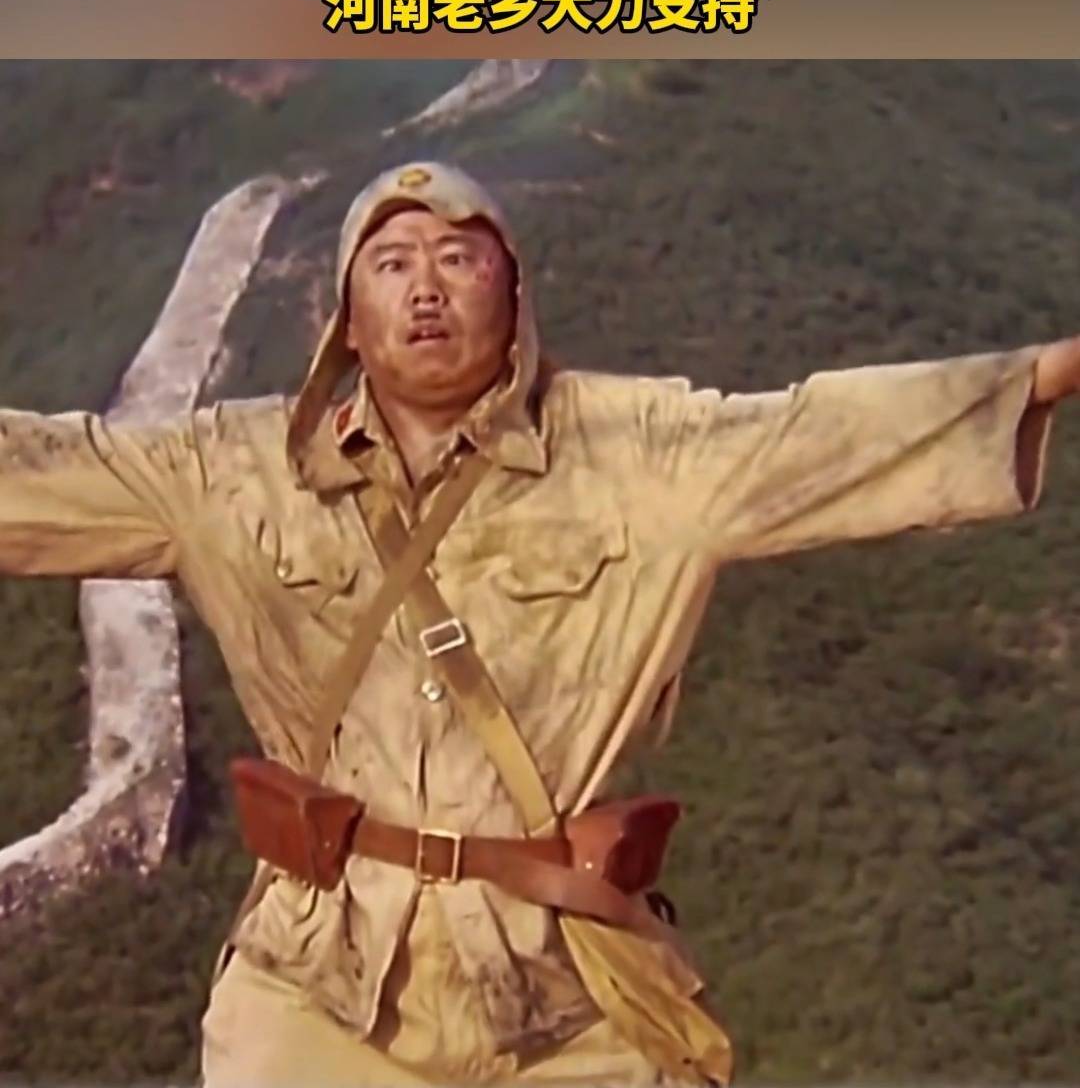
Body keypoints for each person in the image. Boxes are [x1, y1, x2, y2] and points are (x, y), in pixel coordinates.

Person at [0, 160, 1076, 1088]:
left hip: (564, 994)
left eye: (459, 258)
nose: (426, 286)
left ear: (514, 295)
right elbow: (45, 472)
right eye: (391, 263)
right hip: (319, 986)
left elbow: (825, 432)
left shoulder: (640, 452)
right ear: (346, 321)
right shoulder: (233, 471)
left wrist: (1046, 374)